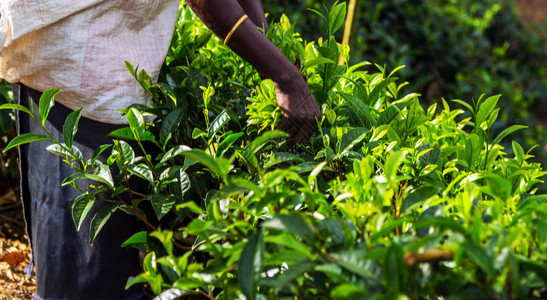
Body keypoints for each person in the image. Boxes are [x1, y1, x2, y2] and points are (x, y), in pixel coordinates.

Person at [0, 0, 320, 299]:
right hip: (82, 68)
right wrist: (284, 77)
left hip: (95, 60)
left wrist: (263, 39)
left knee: (98, 265)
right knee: (86, 278)